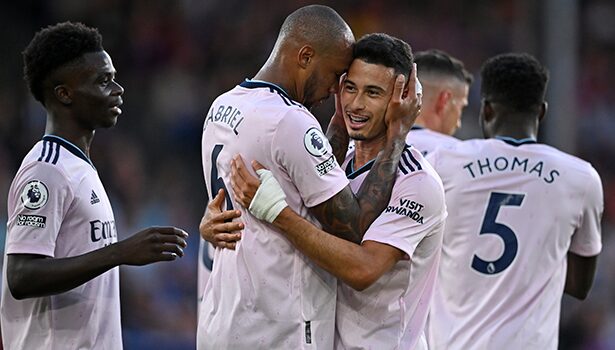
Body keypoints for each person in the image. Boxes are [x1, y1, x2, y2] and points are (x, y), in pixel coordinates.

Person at [197, 5, 420, 349]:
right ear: (305, 56)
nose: (335, 91)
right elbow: (354, 226)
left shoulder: (222, 106)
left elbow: (296, 174)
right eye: (336, 76)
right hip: (278, 329)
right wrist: (397, 134)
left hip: (223, 316)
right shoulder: (289, 121)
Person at [1, 22, 189, 350]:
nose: (118, 89)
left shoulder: (79, 167)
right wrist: (119, 252)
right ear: (64, 93)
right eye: (103, 81)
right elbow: (21, 275)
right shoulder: (46, 170)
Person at [425, 53, 603, 349]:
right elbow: (579, 286)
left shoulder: (443, 163)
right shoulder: (581, 178)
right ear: (542, 112)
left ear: (486, 110)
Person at [409, 49, 473, 155]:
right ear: (444, 100)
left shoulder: (377, 147)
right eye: (461, 108)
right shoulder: (459, 155)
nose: (458, 124)